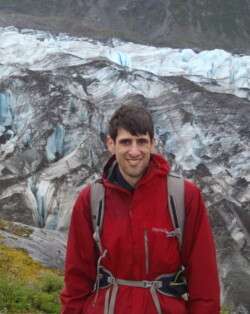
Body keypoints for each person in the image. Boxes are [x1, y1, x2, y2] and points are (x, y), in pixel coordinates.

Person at [60, 102, 220, 314]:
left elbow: (203, 278)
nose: (134, 151)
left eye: (141, 142)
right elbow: (77, 277)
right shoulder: (91, 199)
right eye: (126, 142)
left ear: (152, 144)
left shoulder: (184, 196)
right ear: (111, 144)